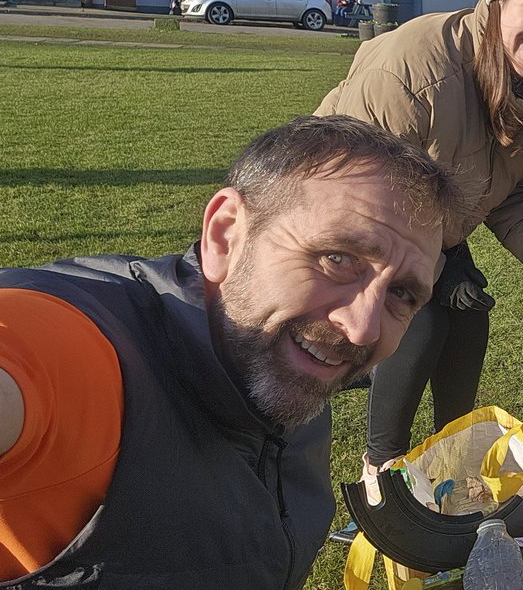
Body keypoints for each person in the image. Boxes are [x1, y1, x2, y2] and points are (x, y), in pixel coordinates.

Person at [0, 115, 459, 587]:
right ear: (225, 235)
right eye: (336, 258)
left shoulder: (282, 360)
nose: (362, 328)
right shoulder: (86, 355)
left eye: (402, 293)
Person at [315, 0, 523, 500]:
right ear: (499, 0)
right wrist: (433, 272)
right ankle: (384, 474)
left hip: (430, 226)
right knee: (419, 317)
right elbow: (359, 194)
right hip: (336, 221)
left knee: (469, 319)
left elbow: (508, 189)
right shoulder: (415, 68)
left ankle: (447, 464)